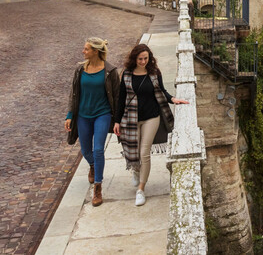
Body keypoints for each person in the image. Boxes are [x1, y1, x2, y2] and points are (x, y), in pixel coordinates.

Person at [113, 43, 190, 207]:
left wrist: (173, 99)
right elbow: (121, 99)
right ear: (135, 58)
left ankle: (141, 189)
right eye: (140, 59)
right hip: (132, 118)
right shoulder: (126, 74)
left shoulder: (154, 73)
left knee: (144, 152)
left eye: (146, 58)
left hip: (151, 117)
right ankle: (135, 170)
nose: (143, 62)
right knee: (134, 151)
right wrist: (117, 121)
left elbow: (161, 91)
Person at [65, 37, 120, 207]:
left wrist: (117, 120)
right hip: (83, 115)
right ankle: (92, 166)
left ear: (96, 51)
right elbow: (74, 93)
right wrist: (69, 115)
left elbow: (117, 97)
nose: (83, 52)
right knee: (85, 149)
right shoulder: (80, 70)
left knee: (98, 150)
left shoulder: (110, 71)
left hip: (102, 114)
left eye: (86, 49)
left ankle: (98, 187)